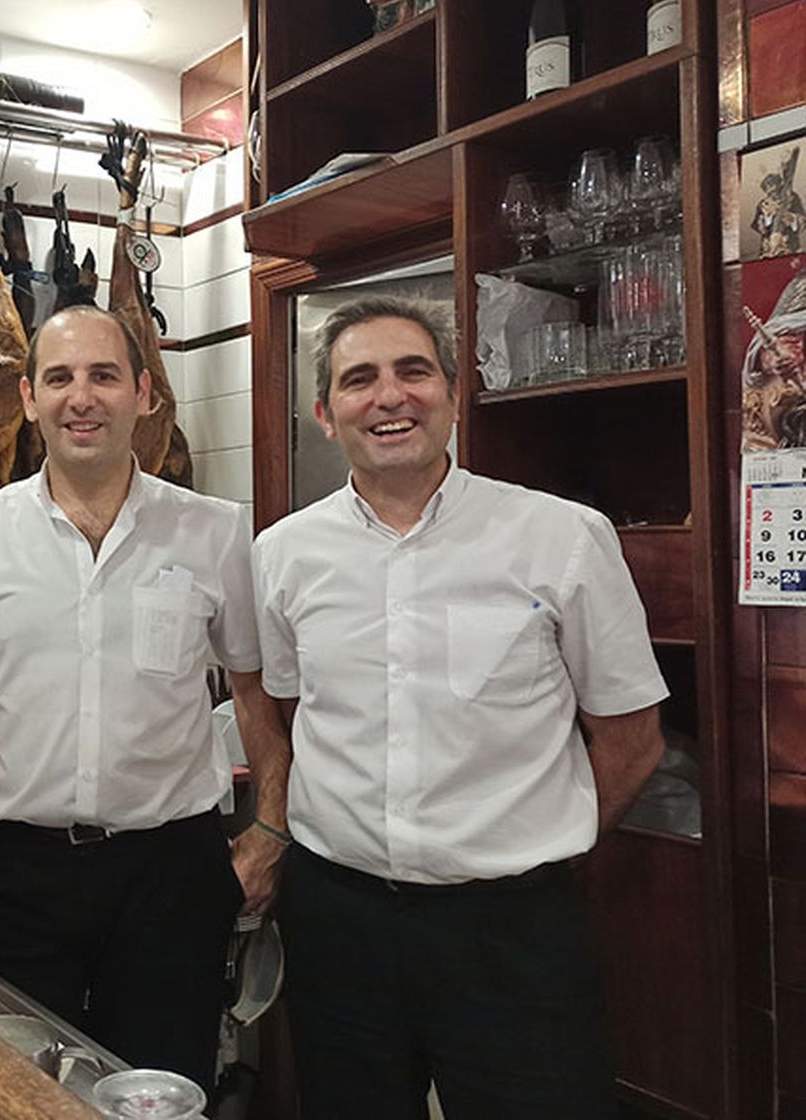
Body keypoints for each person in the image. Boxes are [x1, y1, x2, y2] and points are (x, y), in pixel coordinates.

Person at [251, 298, 668, 1119]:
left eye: (413, 372)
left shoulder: (560, 537)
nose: (389, 396)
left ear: (452, 390)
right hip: (340, 922)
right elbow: (285, 709)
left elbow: (632, 737)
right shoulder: (282, 556)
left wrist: (541, 842)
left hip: (511, 931)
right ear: (325, 415)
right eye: (359, 380)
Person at [0, 306, 286, 1091]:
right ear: (29, 399)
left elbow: (254, 688)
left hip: (173, 874)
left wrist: (270, 828)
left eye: (103, 376)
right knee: (21, 1095)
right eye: (60, 379)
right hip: (25, 873)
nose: (82, 397)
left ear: (142, 393)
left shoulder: (213, 532)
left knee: (165, 1091)